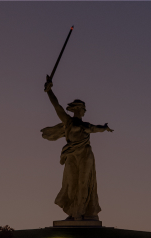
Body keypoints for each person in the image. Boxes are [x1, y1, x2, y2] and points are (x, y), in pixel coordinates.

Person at [42, 76, 113, 221]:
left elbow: (96, 128)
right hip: (71, 154)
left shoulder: (85, 125)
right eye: (83, 109)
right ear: (78, 109)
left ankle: (79, 213)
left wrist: (104, 128)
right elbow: (57, 107)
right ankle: (73, 211)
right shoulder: (68, 121)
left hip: (85, 154)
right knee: (71, 184)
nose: (84, 111)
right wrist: (49, 91)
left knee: (83, 183)